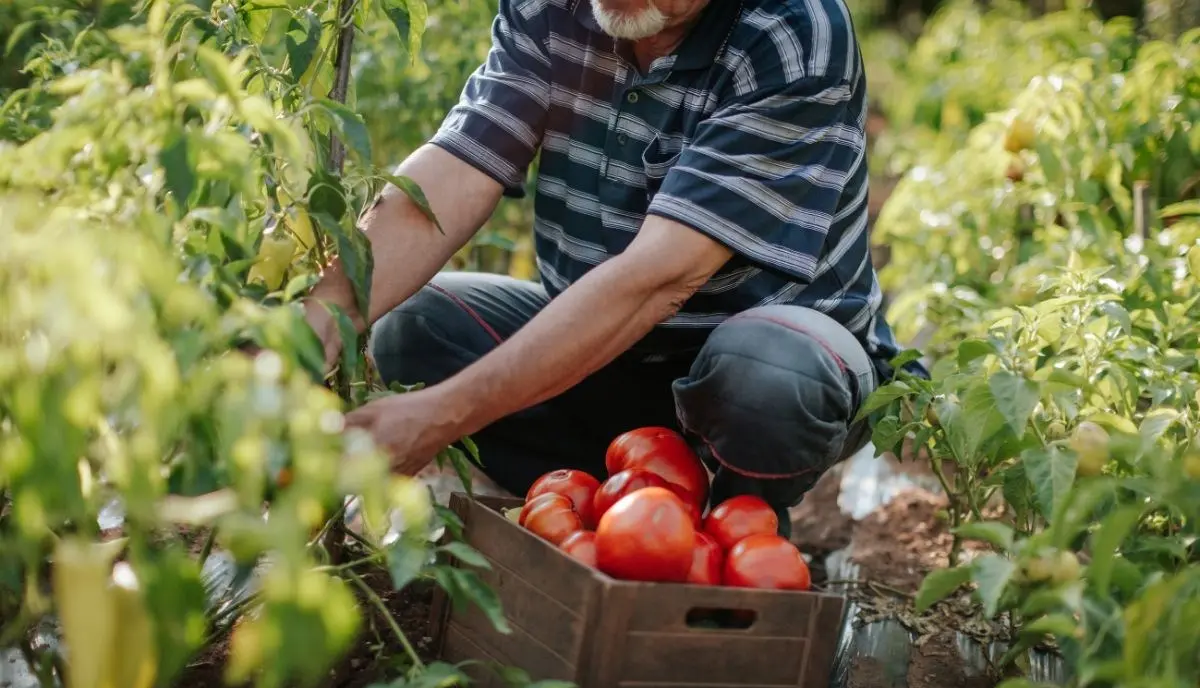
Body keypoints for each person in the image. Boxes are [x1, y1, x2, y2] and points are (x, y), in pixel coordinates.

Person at [303, 0, 916, 537]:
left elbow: (659, 279)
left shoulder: (790, 30)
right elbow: (459, 166)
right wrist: (304, 336)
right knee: (418, 326)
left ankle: (735, 530)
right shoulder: (555, 8)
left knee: (770, 380)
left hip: (753, 373)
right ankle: (598, 509)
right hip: (604, 358)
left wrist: (441, 415)